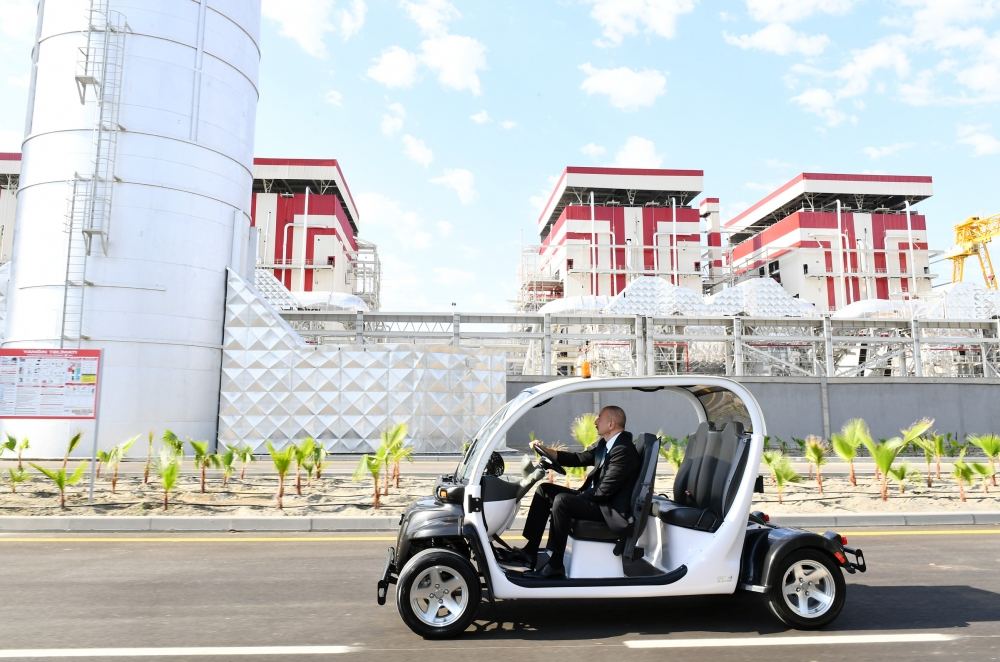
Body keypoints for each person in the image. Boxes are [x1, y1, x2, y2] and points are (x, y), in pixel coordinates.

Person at [514, 405, 640, 579]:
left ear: (611, 424)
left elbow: (604, 491)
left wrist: (577, 498)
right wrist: (550, 453)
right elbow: (580, 458)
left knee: (562, 501)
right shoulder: (606, 444)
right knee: (545, 490)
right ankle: (529, 551)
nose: (596, 422)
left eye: (599, 418)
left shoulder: (623, 451)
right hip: (598, 499)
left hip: (609, 509)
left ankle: (555, 565)